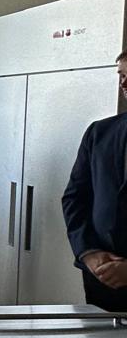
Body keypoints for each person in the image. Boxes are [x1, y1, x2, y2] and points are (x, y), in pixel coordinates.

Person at [61, 50, 127, 311]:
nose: (123, 83)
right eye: (121, 75)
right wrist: (88, 253)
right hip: (102, 277)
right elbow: (75, 198)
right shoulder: (100, 132)